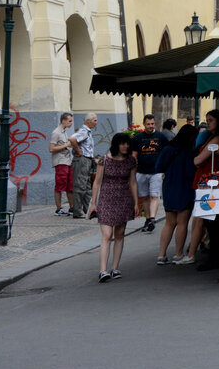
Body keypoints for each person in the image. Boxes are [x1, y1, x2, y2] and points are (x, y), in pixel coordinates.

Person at [179, 109, 219, 269]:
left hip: (211, 183)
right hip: (206, 181)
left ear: (218, 122)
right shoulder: (213, 137)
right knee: (210, 222)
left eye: (210, 120)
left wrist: (196, 158)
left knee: (211, 221)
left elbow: (198, 160)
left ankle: (215, 257)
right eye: (207, 120)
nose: (207, 123)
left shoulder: (217, 139)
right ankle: (216, 255)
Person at [89, 132, 139, 282]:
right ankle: (103, 270)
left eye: (127, 143)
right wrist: (93, 203)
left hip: (123, 199)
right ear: (116, 145)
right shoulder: (104, 160)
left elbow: (133, 182)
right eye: (122, 143)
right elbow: (97, 182)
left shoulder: (130, 161)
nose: (126, 146)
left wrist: (136, 203)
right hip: (106, 200)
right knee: (106, 235)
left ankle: (115, 268)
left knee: (119, 234)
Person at [155, 125, 197, 265]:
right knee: (182, 223)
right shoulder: (189, 152)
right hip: (184, 188)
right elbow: (191, 172)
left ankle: (161, 255)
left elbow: (159, 167)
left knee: (169, 222)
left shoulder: (168, 148)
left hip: (169, 187)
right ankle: (178, 254)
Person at [130, 114, 169, 232]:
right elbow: (134, 155)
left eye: (152, 124)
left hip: (156, 171)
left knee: (154, 195)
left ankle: (152, 218)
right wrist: (131, 168)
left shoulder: (161, 136)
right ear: (144, 124)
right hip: (141, 171)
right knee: (145, 197)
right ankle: (148, 219)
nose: (151, 126)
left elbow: (166, 152)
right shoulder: (138, 137)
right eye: (148, 124)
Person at [68, 114, 99, 219]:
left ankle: (91, 210)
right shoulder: (84, 131)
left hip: (87, 160)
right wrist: (78, 150)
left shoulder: (88, 131)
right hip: (82, 160)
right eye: (95, 120)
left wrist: (93, 158)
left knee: (86, 186)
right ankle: (77, 211)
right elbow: (72, 139)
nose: (96, 122)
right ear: (89, 121)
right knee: (80, 185)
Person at [48, 113, 75, 215]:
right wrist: (66, 145)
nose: (71, 123)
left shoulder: (64, 132)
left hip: (67, 161)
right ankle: (59, 208)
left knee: (70, 185)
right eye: (69, 121)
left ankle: (72, 207)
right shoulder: (56, 132)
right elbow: (51, 148)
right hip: (60, 162)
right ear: (63, 121)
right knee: (60, 185)